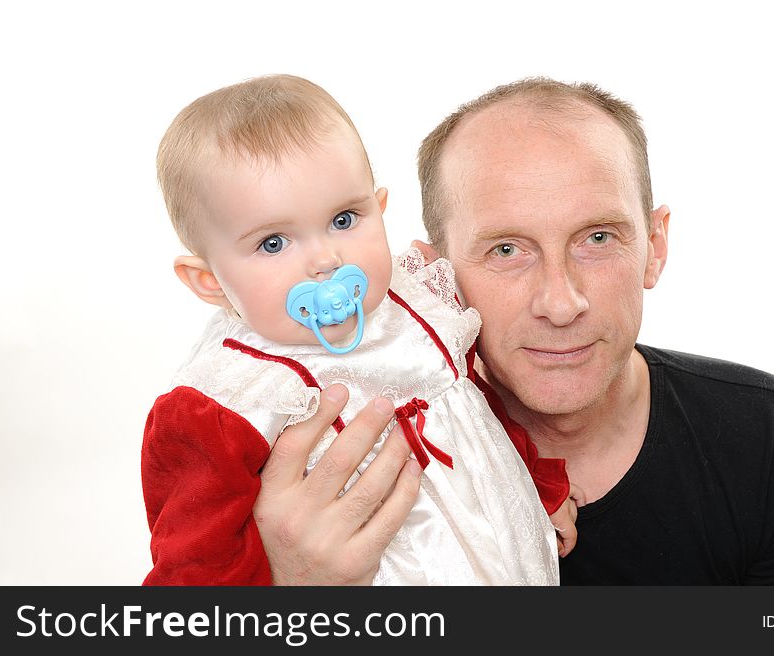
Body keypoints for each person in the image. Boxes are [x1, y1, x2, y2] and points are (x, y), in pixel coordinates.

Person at [253, 77, 774, 585]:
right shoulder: (332, 464)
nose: (560, 302)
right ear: (438, 279)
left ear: (654, 246)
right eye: (507, 249)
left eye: (598, 239)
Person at [141, 74, 578, 586]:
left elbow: (472, 406)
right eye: (274, 243)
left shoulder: (414, 304)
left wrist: (538, 486)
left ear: (381, 208)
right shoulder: (224, 402)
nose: (326, 259)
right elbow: (195, 571)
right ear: (209, 280)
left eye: (345, 219)